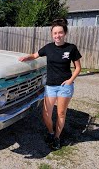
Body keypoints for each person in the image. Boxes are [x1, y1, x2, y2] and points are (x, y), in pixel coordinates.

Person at [18, 18, 82, 150]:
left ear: (65, 33)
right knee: (46, 113)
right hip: (50, 86)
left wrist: (70, 80)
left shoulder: (71, 48)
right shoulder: (48, 48)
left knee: (61, 113)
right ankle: (51, 132)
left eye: (60, 32)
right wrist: (25, 58)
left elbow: (78, 68)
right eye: (55, 33)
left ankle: (57, 138)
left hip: (65, 86)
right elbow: (35, 55)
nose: (57, 35)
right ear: (52, 34)